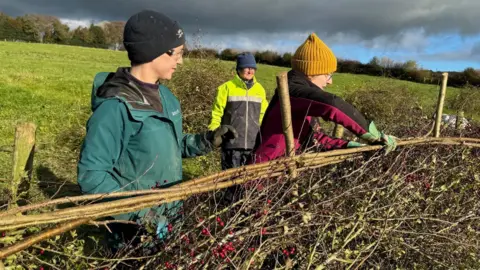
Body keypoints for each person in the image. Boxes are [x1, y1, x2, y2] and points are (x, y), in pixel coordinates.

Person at [76, 10, 237, 249]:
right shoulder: (115, 108)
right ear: (154, 52)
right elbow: (92, 175)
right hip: (131, 236)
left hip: (170, 218)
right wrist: (142, 215)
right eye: (178, 54)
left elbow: (169, 144)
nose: (180, 61)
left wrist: (206, 140)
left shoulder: (167, 97)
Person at [251, 33, 397, 163]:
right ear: (312, 71)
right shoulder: (292, 92)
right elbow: (332, 105)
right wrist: (372, 134)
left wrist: (349, 146)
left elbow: (313, 140)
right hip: (263, 180)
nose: (330, 81)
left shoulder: (302, 101)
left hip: (278, 180)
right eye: (328, 74)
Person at [208, 52, 268, 170]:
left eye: (253, 68)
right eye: (247, 67)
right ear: (239, 69)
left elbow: (263, 116)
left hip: (253, 144)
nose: (250, 71)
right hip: (231, 144)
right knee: (230, 181)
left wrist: (264, 136)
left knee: (248, 182)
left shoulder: (260, 90)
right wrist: (214, 132)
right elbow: (216, 112)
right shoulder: (226, 88)